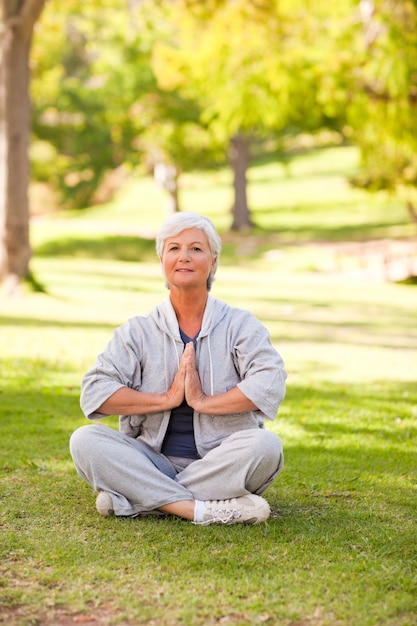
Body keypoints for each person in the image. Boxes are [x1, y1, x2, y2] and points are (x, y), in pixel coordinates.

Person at [70, 211, 287, 525]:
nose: (184, 257)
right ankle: (199, 509)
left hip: (221, 459)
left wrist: (203, 402)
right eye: (174, 248)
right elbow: (95, 393)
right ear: (162, 260)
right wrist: (167, 398)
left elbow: (269, 383)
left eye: (196, 249)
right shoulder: (137, 331)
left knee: (266, 446)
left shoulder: (240, 325)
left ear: (212, 261)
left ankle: (133, 497)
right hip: (151, 460)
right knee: (84, 440)